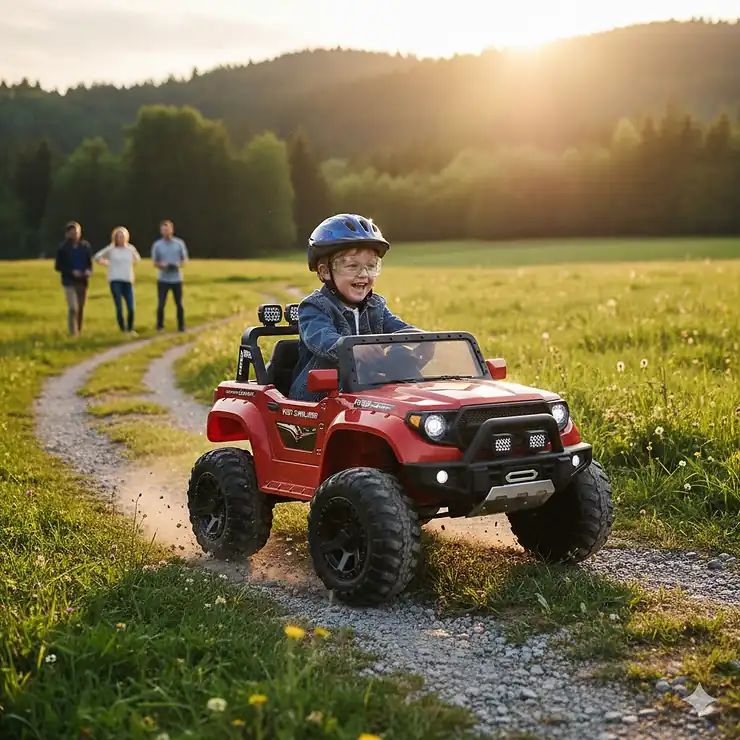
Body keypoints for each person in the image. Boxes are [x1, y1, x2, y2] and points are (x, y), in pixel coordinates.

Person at [289, 213, 419, 401]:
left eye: (371, 266)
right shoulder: (314, 307)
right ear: (325, 272)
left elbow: (398, 328)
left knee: (402, 354)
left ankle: (420, 405)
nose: (363, 274)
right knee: (337, 359)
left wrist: (419, 339)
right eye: (352, 266)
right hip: (319, 398)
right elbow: (324, 339)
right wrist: (354, 348)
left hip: (363, 392)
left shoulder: (377, 306)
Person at [93, 226, 141, 333]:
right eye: (118, 236)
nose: (121, 238)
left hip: (127, 279)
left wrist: (129, 264)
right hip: (115, 279)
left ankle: (130, 328)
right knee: (119, 306)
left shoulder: (130, 249)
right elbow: (97, 257)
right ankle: (122, 329)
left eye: (122, 236)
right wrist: (106, 263)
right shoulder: (111, 249)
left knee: (131, 307)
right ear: (115, 238)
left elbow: (137, 259)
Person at [54, 221, 93, 336]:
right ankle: (73, 332)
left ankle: (78, 330)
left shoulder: (85, 246)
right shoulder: (63, 248)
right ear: (67, 234)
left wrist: (88, 271)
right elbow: (58, 266)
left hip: (82, 281)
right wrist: (71, 271)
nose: (75, 235)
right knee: (73, 307)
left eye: (77, 233)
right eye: (72, 233)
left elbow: (89, 263)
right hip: (69, 281)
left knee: (80, 307)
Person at [151, 219, 188, 332]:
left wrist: (179, 264)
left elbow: (185, 259)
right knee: (161, 303)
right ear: (161, 232)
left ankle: (181, 326)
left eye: (168, 229)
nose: (166, 232)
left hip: (176, 278)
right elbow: (154, 262)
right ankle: (159, 326)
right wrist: (161, 265)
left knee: (179, 304)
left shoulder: (179, 244)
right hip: (163, 278)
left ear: (172, 230)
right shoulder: (157, 245)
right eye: (164, 230)